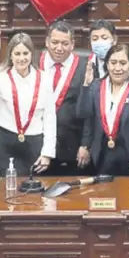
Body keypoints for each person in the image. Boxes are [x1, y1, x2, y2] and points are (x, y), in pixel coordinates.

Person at [0, 31, 56, 176]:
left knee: (33, 192)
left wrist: (47, 153)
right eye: (17, 53)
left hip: (34, 142)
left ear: (31, 54)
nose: (22, 58)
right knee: (4, 190)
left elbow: (50, 118)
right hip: (5, 142)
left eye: (25, 53)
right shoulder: (2, 76)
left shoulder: (45, 79)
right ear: (11, 55)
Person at [77, 43, 129, 176]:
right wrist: (86, 85)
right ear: (107, 65)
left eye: (123, 63)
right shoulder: (96, 86)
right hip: (102, 154)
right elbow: (83, 114)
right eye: (113, 63)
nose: (117, 68)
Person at [39, 20, 88, 176]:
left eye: (64, 43)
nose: (59, 48)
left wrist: (86, 145)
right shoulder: (33, 63)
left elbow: (91, 111)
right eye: (54, 42)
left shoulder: (85, 67)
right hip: (39, 146)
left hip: (72, 148)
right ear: (47, 42)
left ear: (72, 44)